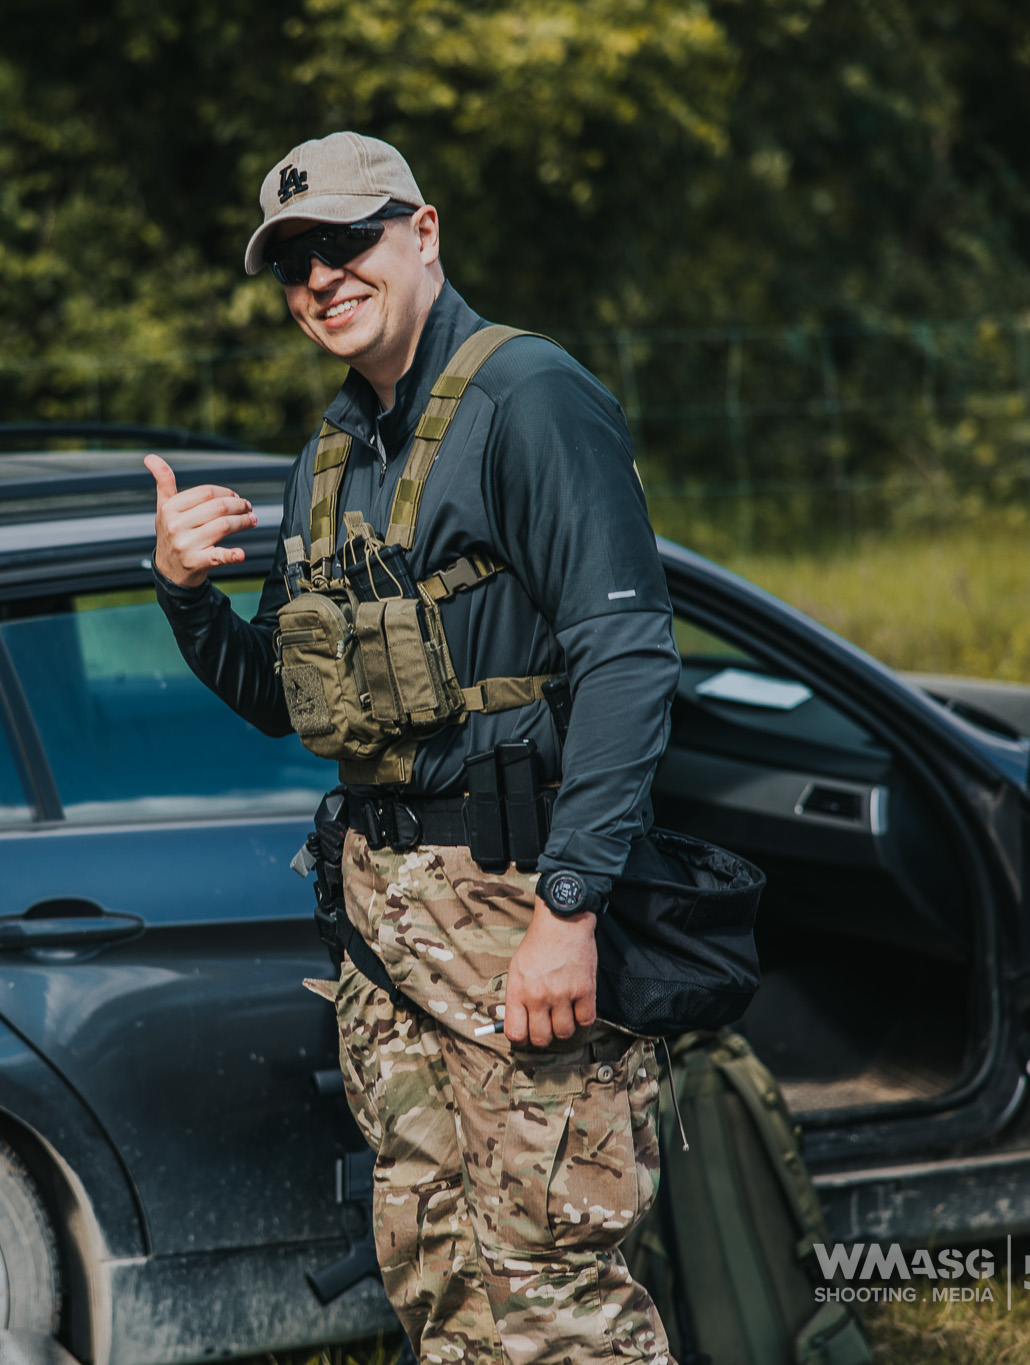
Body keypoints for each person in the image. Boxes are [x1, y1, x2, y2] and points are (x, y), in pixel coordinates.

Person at [146, 131, 679, 1365]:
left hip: (515, 904)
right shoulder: (329, 456)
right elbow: (283, 699)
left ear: (422, 231)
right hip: (384, 925)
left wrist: (569, 907)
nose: (320, 278)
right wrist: (179, 592)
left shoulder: (527, 397)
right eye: (293, 262)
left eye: (346, 242)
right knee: (436, 1269)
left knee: (553, 1289)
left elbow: (628, 659)